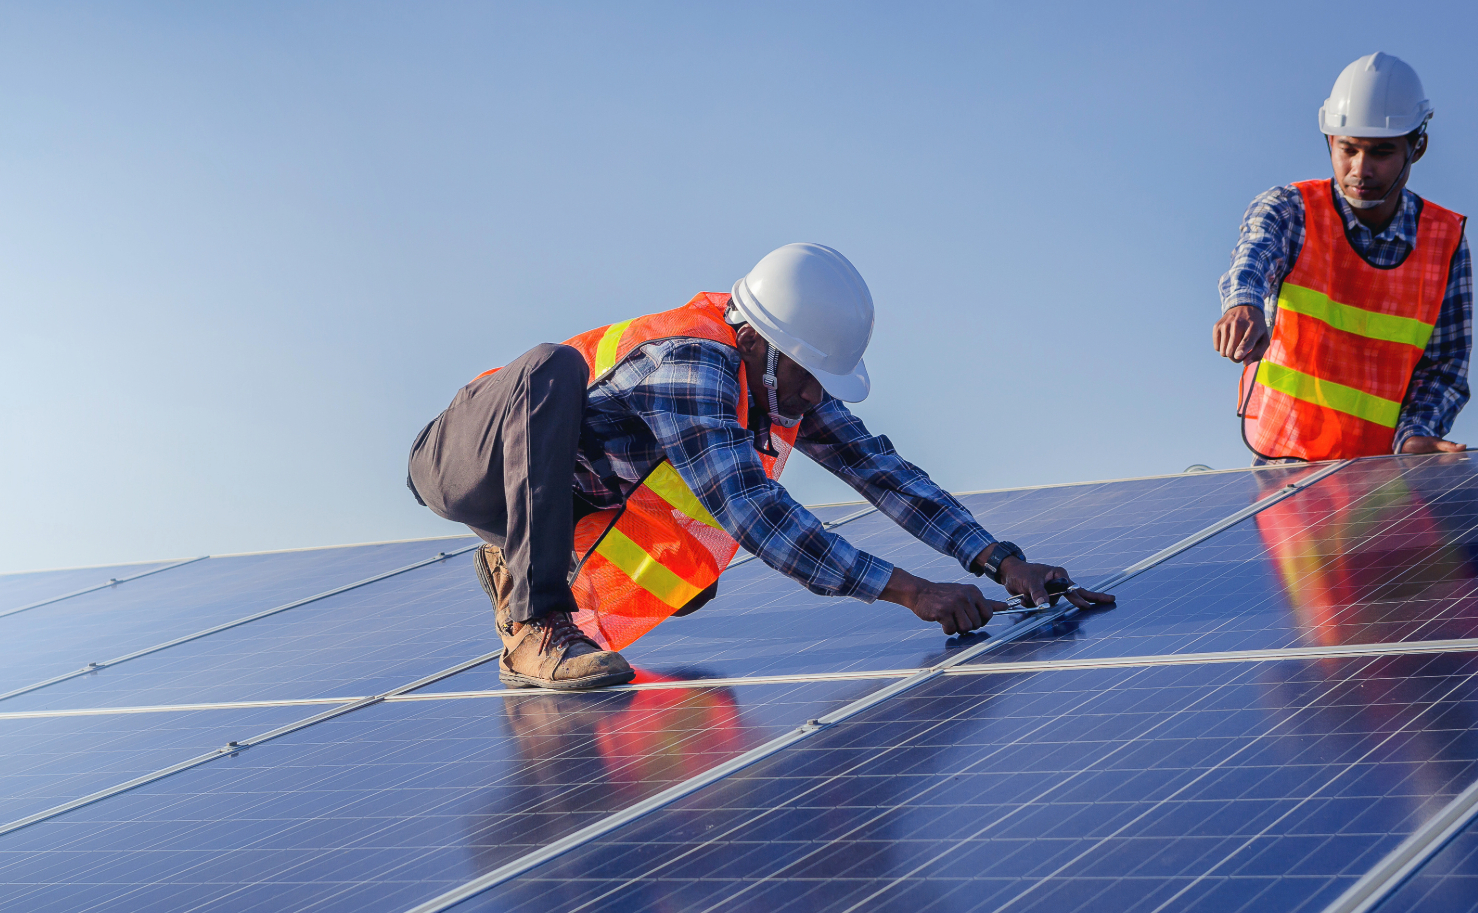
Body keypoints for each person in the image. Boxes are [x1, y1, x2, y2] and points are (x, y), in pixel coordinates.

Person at [407, 243, 1114, 690]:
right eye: (809, 374)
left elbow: (882, 471)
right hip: (468, 461)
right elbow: (754, 512)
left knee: (691, 575)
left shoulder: (777, 380)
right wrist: (910, 592)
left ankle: (517, 562)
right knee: (548, 369)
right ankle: (536, 624)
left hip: (567, 495)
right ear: (755, 341)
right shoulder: (692, 361)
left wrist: (999, 559)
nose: (814, 395)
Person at [1214, 52, 1472, 463]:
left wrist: (1416, 432)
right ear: (1330, 141)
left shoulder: (1444, 241)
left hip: (1383, 482)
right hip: (1286, 470)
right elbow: (1253, 256)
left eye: (1381, 153)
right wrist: (1243, 303)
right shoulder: (1290, 210)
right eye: (1348, 149)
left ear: (1417, 147)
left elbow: (1444, 367)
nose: (1360, 169)